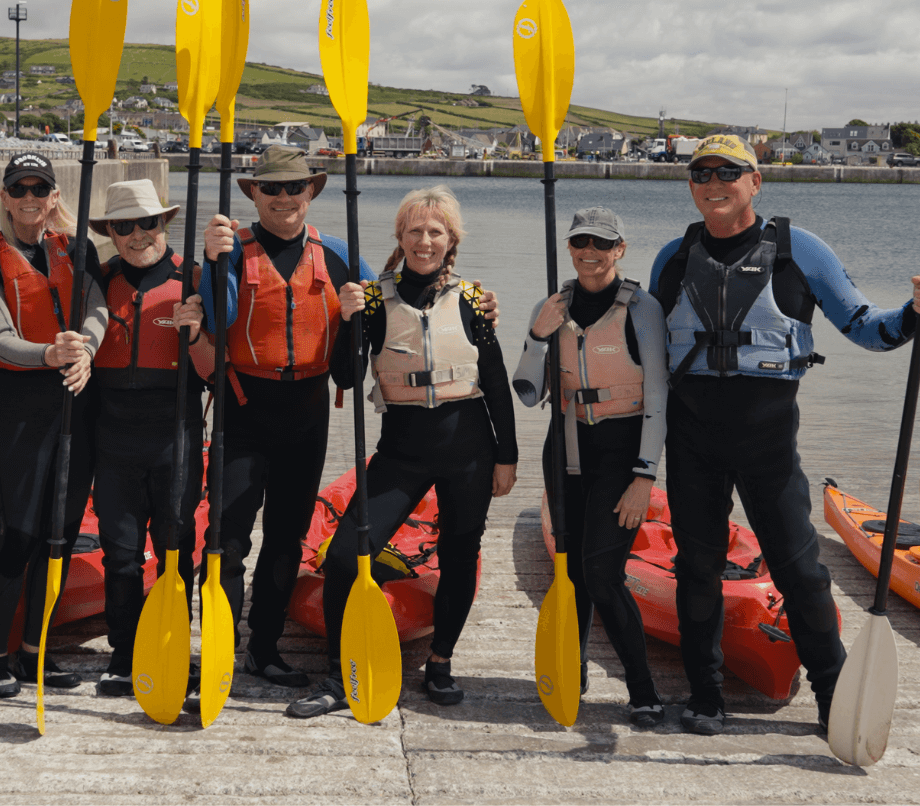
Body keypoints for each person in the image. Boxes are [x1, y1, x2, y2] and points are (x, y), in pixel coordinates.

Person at [648, 134, 920, 736]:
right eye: (700, 175)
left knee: (802, 571)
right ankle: (705, 694)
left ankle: (834, 696)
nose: (713, 185)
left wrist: (919, 311)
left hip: (767, 441)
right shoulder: (673, 257)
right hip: (691, 440)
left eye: (727, 173)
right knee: (698, 568)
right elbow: (641, 346)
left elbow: (870, 329)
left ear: (755, 182)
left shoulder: (800, 251)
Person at [199, 151, 503, 686]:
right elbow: (220, 318)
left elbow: (398, 296)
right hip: (243, 408)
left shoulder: (339, 256)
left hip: (307, 412)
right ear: (254, 194)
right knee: (226, 539)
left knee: (286, 538)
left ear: (311, 193)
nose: (283, 197)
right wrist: (211, 262)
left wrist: (479, 308)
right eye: (271, 188)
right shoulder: (230, 249)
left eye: (295, 187)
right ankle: (218, 647)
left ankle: (264, 648)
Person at [286, 185, 518, 717]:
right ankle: (338, 675)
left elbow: (498, 383)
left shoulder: (473, 299)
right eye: (414, 230)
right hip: (402, 452)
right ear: (400, 237)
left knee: (461, 555)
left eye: (435, 231)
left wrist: (507, 456)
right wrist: (345, 321)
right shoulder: (371, 298)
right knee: (345, 558)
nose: (424, 240)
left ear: (451, 240)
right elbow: (344, 376)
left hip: (469, 448)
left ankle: (440, 662)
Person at [513, 206, 669, 728]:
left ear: (620, 249)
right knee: (571, 572)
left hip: (621, 450)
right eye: (580, 240)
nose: (589, 252)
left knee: (602, 574)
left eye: (602, 243)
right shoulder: (551, 306)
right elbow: (529, 391)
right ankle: (571, 673)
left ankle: (643, 689)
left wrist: (644, 476)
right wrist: (538, 335)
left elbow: (658, 397)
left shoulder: (642, 309)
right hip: (565, 446)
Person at [0, 151, 107, 698]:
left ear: (53, 197)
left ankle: (33, 654)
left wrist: (86, 348)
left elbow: (96, 307)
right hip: (16, 414)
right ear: (4, 197)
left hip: (75, 405)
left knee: (60, 535)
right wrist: (51, 353)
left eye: (39, 189)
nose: (29, 199)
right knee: (18, 532)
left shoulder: (78, 250)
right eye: (18, 190)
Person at [84, 179, 214, 697]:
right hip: (112, 439)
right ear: (111, 233)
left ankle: (175, 646)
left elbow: (213, 372)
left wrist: (197, 334)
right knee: (120, 554)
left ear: (165, 224)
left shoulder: (195, 280)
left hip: (175, 435)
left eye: (148, 222)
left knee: (176, 551)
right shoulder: (99, 279)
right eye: (124, 226)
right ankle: (123, 652)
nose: (138, 235)